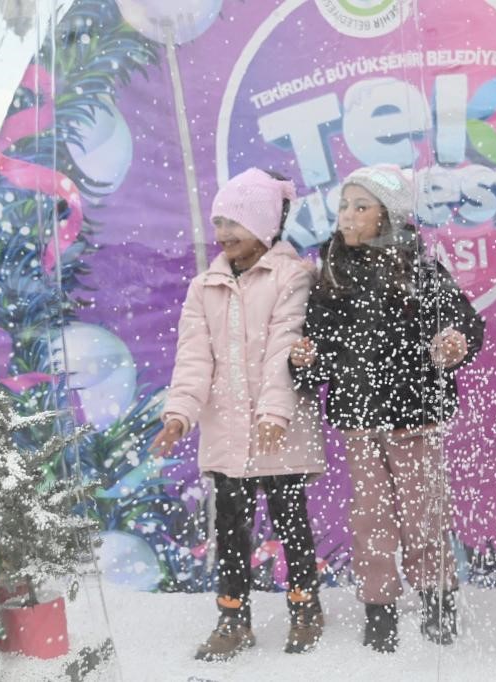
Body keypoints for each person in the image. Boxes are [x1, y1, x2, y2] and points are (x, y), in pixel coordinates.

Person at [289, 164, 484, 653]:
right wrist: (308, 363)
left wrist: (454, 341)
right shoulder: (331, 272)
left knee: (424, 512)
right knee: (370, 517)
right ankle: (379, 607)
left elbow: (464, 322)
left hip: (413, 415)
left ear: (387, 216)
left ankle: (438, 599)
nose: (348, 217)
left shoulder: (419, 267)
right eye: (344, 207)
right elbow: (320, 348)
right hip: (360, 418)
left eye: (361, 207)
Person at [154, 168, 326, 661]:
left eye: (238, 221)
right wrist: (180, 414)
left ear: (267, 225)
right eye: (220, 220)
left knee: (291, 522)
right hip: (228, 435)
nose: (225, 232)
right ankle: (233, 618)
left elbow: (284, 347)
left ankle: (305, 608)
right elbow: (194, 358)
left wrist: (274, 412)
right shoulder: (203, 286)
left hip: (281, 432)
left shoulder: (291, 276)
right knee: (230, 527)